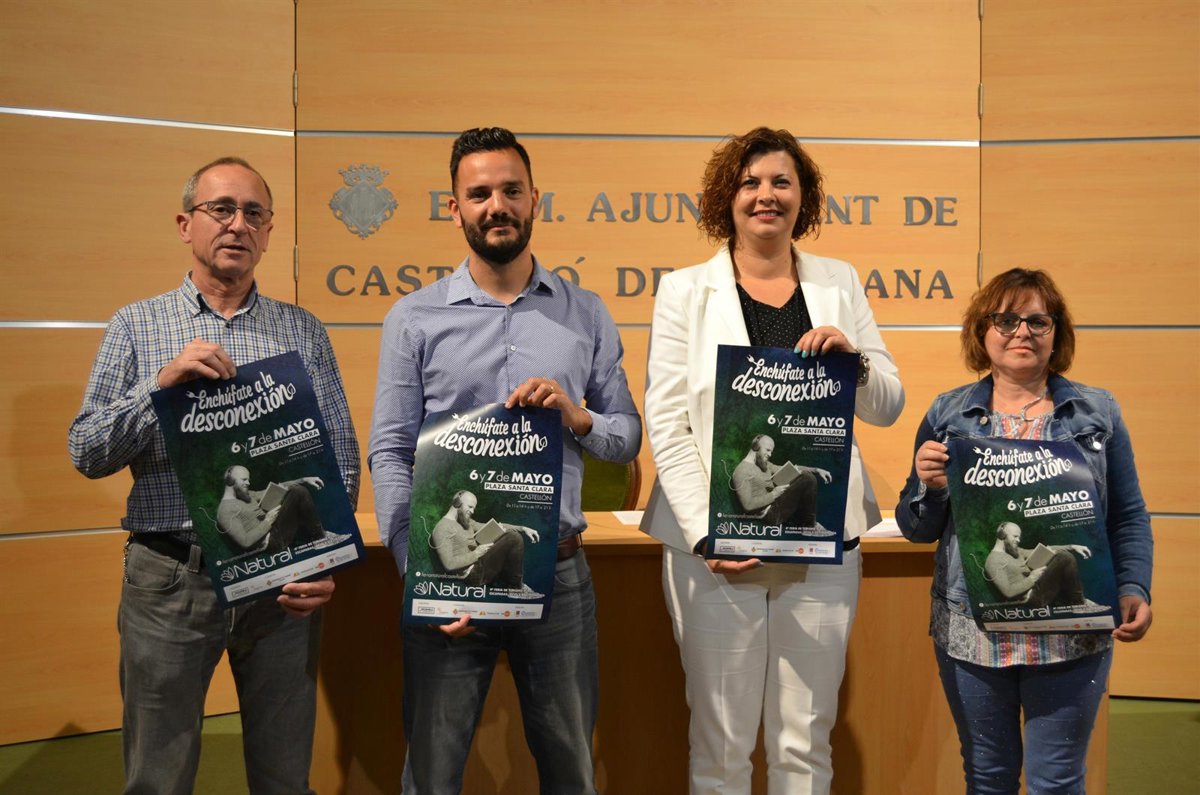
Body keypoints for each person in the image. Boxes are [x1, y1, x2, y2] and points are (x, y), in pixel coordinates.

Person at [69, 157, 360, 795]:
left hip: (281, 585)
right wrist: (159, 388)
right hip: (171, 580)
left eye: (254, 213)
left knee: (285, 777)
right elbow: (87, 450)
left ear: (269, 231)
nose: (237, 225)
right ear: (186, 225)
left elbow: (339, 452)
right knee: (158, 778)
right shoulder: (135, 326)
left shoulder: (302, 331)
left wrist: (322, 561)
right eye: (221, 209)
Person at [368, 127, 641, 794]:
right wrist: (415, 571)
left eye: (511, 191)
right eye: (480, 193)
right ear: (454, 207)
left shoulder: (585, 313)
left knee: (572, 773)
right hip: (446, 583)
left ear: (534, 200)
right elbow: (391, 450)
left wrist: (578, 417)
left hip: (560, 576)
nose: (497, 205)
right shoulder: (414, 318)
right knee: (431, 776)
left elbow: (627, 436)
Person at [639, 127, 904, 795]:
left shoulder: (839, 283)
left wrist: (854, 362)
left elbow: (887, 405)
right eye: (750, 182)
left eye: (782, 182)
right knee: (721, 746)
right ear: (725, 198)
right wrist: (707, 533)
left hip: (821, 546)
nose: (766, 195)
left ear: (802, 196)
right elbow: (668, 423)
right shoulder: (683, 291)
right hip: (715, 550)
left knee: (804, 740)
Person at [895, 267, 1153, 793]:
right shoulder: (947, 414)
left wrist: (1134, 585)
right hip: (973, 635)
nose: (1022, 333)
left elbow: (1127, 515)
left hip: (1071, 635)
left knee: (1056, 781)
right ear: (982, 331)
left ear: (1056, 333)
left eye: (1039, 321)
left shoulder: (1097, 412)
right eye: (1006, 320)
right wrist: (930, 486)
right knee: (988, 779)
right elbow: (917, 529)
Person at [429, 489, 540, 590]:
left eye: (474, 508)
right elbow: (449, 564)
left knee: (509, 535)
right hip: (471, 575)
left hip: (480, 564)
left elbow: (495, 526)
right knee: (514, 538)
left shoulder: (466, 522)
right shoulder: (442, 528)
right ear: (457, 503)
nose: (472, 511)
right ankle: (516, 588)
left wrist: (522, 528)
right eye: (470, 507)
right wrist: (476, 553)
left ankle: (511, 583)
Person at [217, 465, 331, 553]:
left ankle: (316, 536)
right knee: (299, 492)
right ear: (230, 481)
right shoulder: (224, 510)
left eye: (248, 479)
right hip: (272, 542)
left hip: (276, 528)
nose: (248, 483)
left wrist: (304, 480)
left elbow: (277, 489)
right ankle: (320, 539)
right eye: (244, 479)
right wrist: (268, 521)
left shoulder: (246, 494)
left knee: (295, 491)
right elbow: (245, 542)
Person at [729, 433, 831, 527]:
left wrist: (816, 470)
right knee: (807, 479)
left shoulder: (764, 464)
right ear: (756, 447)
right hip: (769, 515)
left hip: (777, 505)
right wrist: (774, 494)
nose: (770, 454)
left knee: (804, 475)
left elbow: (791, 469)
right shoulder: (741, 471)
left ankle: (808, 523)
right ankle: (810, 526)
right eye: (767, 450)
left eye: (771, 451)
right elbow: (747, 505)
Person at [984, 521, 1093, 608]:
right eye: (1015, 536)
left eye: (1019, 537)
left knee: (1061, 556)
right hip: (1031, 599)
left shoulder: (1016, 551)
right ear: (1002, 535)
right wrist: (1032, 578)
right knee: (1065, 558)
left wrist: (1072, 546)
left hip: (1038, 589)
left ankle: (1076, 601)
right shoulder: (993, 561)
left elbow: (1046, 550)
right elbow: (1008, 592)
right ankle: (1079, 603)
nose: (1018, 540)